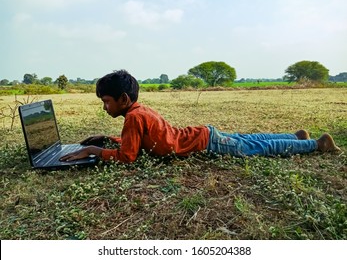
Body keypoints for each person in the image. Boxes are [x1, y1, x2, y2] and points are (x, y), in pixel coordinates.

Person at [60, 70, 341, 164]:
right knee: (252, 139)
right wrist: (106, 139)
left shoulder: (133, 117)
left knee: (257, 148)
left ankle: (316, 144)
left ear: (123, 99)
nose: (104, 108)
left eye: (106, 102)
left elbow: (128, 156)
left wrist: (96, 151)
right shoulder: (137, 112)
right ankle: (295, 136)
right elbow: (136, 143)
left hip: (206, 143)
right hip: (204, 135)